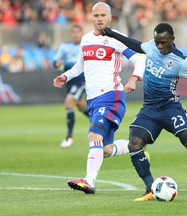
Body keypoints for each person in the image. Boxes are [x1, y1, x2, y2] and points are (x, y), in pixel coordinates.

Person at [100, 23, 187, 201]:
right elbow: (135, 45)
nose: (160, 46)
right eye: (157, 42)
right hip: (150, 109)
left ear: (172, 40)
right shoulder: (151, 46)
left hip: (170, 108)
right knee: (134, 143)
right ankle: (150, 189)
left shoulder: (182, 62)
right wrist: (112, 33)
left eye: (164, 42)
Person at [53, 2, 146, 194]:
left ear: (110, 17)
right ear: (91, 18)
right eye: (96, 15)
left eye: (103, 15)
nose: (100, 18)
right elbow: (80, 65)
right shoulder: (86, 39)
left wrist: (134, 79)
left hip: (111, 95)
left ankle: (89, 182)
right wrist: (65, 76)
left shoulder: (117, 39)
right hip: (93, 99)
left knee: (93, 137)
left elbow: (140, 60)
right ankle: (137, 145)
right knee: (105, 149)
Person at [53, 24, 89, 148]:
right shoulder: (65, 46)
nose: (75, 34)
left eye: (77, 32)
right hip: (70, 81)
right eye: (73, 32)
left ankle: (69, 137)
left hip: (82, 79)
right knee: (81, 105)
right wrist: (57, 64)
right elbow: (56, 61)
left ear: (81, 33)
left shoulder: (86, 45)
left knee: (69, 102)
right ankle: (101, 123)